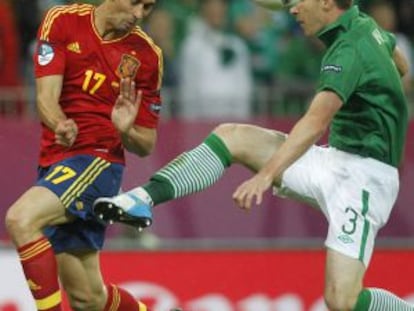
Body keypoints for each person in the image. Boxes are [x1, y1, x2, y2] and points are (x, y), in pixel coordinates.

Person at [94, 0, 414, 310]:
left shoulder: (348, 51)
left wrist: (265, 175)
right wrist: (384, 99)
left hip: (365, 183)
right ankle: (141, 199)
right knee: (232, 137)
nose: (293, 9)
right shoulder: (366, 26)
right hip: (336, 160)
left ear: (328, 2)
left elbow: (315, 122)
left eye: (301, 1)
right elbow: (400, 65)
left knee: (342, 300)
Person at [4, 0, 165, 310]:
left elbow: (146, 143)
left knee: (21, 219)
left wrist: (126, 129)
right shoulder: (62, 21)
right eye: (135, 3)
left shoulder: (147, 56)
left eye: (147, 8)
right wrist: (59, 123)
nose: (138, 15)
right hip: (56, 161)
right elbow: (45, 98)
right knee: (87, 299)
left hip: (99, 161)